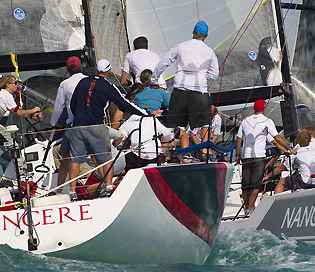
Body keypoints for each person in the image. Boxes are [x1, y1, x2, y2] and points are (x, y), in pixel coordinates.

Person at [68, 59, 148, 200]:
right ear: (109, 71)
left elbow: (73, 104)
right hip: (97, 126)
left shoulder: (82, 82)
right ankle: (108, 187)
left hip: (78, 126)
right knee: (106, 158)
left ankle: (72, 192)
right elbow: (124, 104)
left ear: (96, 70)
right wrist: (144, 114)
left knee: (76, 160)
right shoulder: (108, 86)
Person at [151, 21, 218, 152]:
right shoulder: (210, 52)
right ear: (206, 35)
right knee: (204, 123)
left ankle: (167, 154)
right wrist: (203, 77)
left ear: (193, 31)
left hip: (180, 90)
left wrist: (154, 79)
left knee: (174, 124)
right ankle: (205, 153)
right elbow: (214, 74)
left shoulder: (180, 47)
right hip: (200, 91)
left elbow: (164, 63)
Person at [235, 99, 296, 215]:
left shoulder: (245, 121)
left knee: (245, 185)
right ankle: (250, 208)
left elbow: (239, 139)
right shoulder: (267, 121)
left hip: (246, 157)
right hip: (259, 157)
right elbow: (277, 138)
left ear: (254, 108)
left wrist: (238, 155)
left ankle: (246, 209)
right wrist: (290, 149)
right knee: (256, 184)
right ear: (263, 108)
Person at [49, 57, 87, 193]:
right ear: (81, 67)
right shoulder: (88, 80)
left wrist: (53, 124)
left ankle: (62, 191)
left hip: (74, 126)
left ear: (67, 69)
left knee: (66, 158)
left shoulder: (65, 84)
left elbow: (59, 107)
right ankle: (107, 184)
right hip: (92, 124)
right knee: (97, 156)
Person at [263, 129, 315, 194]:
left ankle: (278, 204)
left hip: (304, 182)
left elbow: (282, 168)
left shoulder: (297, 151)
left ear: (299, 140)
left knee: (282, 181)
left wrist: (268, 176)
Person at [0, 75, 42, 150]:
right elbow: (18, 112)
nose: (17, 85)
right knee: (12, 145)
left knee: (7, 145)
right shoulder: (6, 95)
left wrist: (31, 116)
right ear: (7, 84)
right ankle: (19, 161)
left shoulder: (3, 94)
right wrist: (33, 110)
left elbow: (17, 112)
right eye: (15, 83)